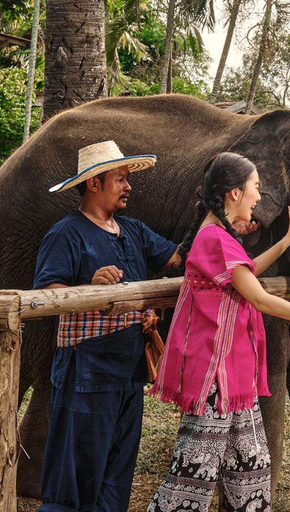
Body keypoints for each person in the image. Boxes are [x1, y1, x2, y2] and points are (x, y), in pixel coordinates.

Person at [146, 152, 290, 512]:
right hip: (214, 378)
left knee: (251, 467)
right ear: (234, 193)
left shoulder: (219, 236)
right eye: (256, 188)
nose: (260, 198)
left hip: (232, 377)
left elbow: (245, 274)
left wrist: (289, 239)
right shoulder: (215, 239)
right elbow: (259, 298)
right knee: (193, 478)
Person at [34, 140, 182, 511]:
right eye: (120, 179)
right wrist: (89, 286)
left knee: (117, 471)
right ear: (94, 184)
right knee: (76, 470)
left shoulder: (131, 230)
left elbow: (178, 259)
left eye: (127, 178)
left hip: (128, 372)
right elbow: (46, 295)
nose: (129, 186)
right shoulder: (65, 234)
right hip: (86, 372)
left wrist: (220, 220)